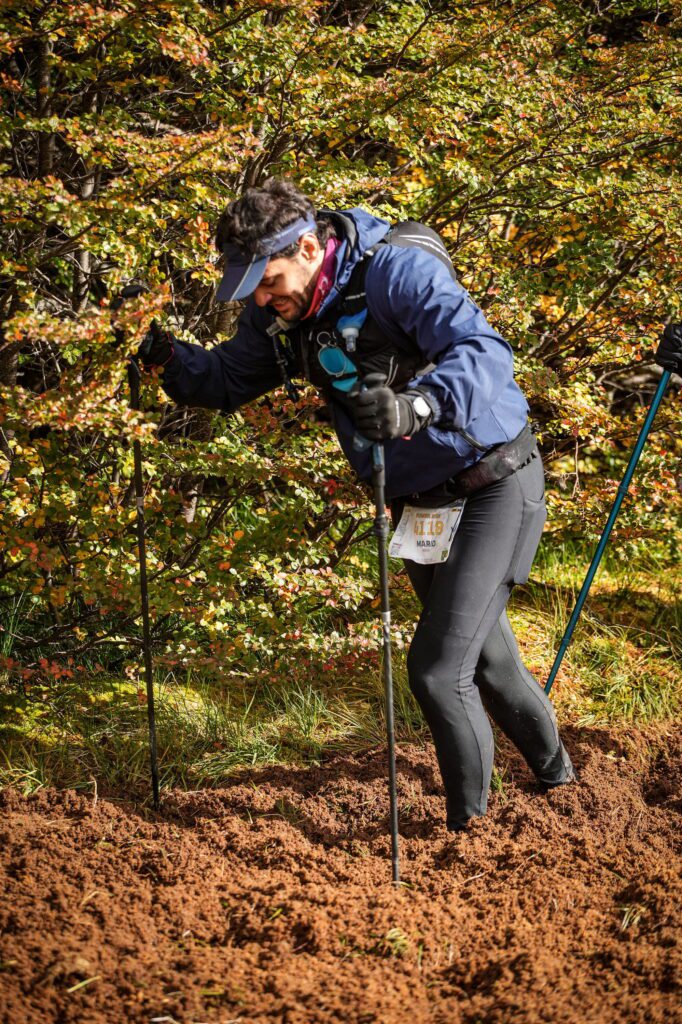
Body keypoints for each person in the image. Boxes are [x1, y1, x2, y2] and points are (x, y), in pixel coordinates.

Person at [137, 176, 575, 832]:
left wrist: (417, 404)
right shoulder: (279, 314)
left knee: (435, 671)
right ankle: (561, 785)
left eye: (268, 279)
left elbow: (484, 353)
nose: (261, 299)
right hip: (418, 502)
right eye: (252, 286)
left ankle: (470, 838)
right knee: (485, 661)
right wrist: (165, 357)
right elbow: (227, 381)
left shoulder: (395, 273)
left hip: (493, 479)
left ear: (309, 247)